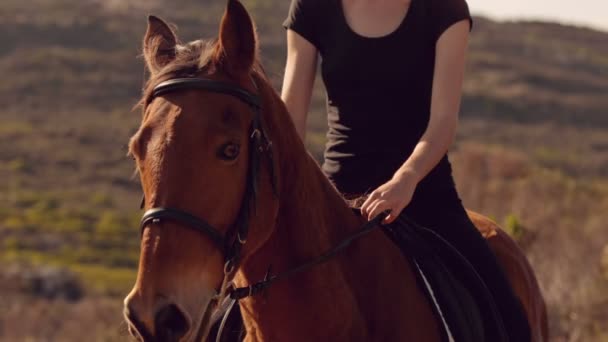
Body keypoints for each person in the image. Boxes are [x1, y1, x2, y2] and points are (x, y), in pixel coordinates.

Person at [280, 0, 531, 340]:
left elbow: (442, 122)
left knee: (509, 319)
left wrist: (405, 180)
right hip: (338, 192)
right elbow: (288, 121)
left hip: (425, 192)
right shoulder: (312, 7)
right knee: (236, 309)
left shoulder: (444, 8)